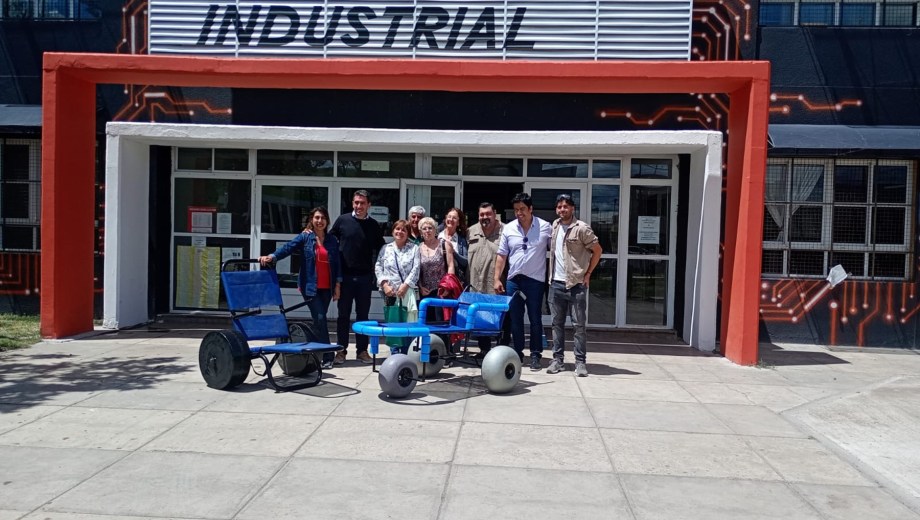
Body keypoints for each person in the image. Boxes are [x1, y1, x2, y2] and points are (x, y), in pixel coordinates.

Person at [259, 207, 341, 368]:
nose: (320, 221)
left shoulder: (332, 240)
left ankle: (314, 353)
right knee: (320, 319)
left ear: (327, 221)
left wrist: (337, 285)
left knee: (319, 321)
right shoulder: (305, 237)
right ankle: (328, 356)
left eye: (323, 218)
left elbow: (337, 264)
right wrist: (272, 256)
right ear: (311, 219)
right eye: (317, 217)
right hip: (309, 286)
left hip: (327, 287)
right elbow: (288, 248)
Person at [493, 192, 552, 371]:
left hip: (535, 281)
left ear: (531, 209)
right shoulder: (509, 229)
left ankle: (535, 354)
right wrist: (497, 278)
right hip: (514, 280)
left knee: (535, 319)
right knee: (515, 319)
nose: (519, 212)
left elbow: (558, 249)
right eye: (517, 209)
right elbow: (502, 255)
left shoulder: (545, 227)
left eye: (523, 209)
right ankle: (517, 352)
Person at [546, 194, 602, 377]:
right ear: (556, 209)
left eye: (566, 206)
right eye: (560, 206)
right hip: (556, 284)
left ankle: (580, 362)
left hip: (576, 284)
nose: (563, 209)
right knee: (557, 324)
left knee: (579, 326)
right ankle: (558, 360)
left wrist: (588, 274)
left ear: (572, 209)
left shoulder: (582, 229)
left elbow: (597, 250)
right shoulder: (554, 226)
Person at [330, 190, 386, 364]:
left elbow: (383, 249)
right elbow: (330, 240)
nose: (359, 206)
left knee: (363, 315)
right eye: (356, 203)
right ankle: (341, 350)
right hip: (345, 278)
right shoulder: (342, 220)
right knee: (343, 316)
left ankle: (362, 350)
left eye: (362, 203)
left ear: (369, 205)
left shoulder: (374, 225)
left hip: (364, 278)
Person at [467, 202, 507, 356]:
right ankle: (484, 350)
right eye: (482, 214)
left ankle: (501, 352)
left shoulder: (505, 231)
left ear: (494, 213)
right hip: (476, 284)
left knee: (501, 319)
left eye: (488, 214)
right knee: (481, 319)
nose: (485, 217)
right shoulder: (471, 231)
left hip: (497, 285)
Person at [418, 216, 455, 319]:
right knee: (426, 324)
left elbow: (451, 266)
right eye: (424, 228)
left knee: (441, 323)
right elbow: (416, 270)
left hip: (442, 291)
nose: (427, 231)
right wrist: (420, 287)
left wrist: (447, 287)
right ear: (421, 232)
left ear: (435, 230)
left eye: (430, 228)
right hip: (425, 292)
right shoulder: (418, 248)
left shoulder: (444, 244)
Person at [438, 207, 469, 284]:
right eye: (449, 217)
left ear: (458, 223)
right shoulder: (437, 235)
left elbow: (465, 262)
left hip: (455, 281)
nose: (451, 219)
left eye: (454, 218)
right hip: (437, 279)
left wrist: (453, 252)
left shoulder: (461, 240)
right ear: (445, 219)